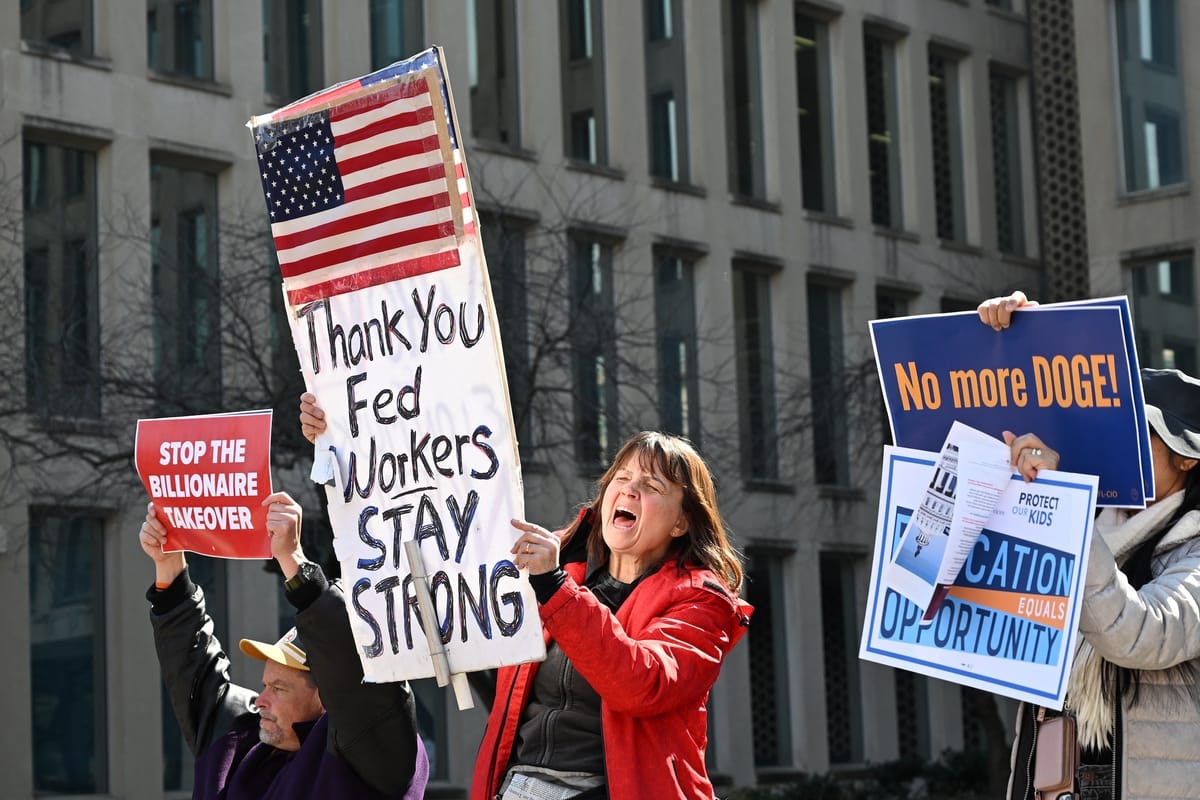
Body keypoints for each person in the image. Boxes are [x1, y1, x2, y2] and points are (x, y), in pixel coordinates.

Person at [299, 393, 753, 800]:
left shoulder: (702, 602)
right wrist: (341, 444)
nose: (630, 489)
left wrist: (555, 587)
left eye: (652, 487)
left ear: (681, 523)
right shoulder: (554, 568)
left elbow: (642, 685)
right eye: (623, 476)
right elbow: (436, 542)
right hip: (520, 786)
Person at [979, 292, 1200, 800]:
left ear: (1188, 458)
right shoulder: (1088, 524)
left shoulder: (1178, 546)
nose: (1122, 445)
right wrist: (1020, 341)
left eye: (1142, 433)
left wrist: (1064, 509)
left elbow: (1141, 634)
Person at [140, 490, 429, 800]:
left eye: (278, 688)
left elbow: (355, 675)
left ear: (327, 697)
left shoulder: (371, 750)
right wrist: (169, 572)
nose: (260, 700)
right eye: (266, 685)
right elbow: (193, 673)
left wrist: (293, 560)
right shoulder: (246, 743)